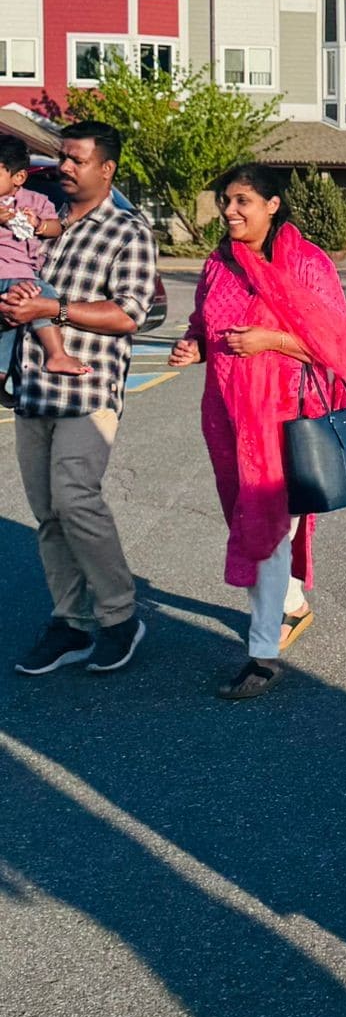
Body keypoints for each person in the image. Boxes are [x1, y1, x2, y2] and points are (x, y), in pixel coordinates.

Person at [168, 163, 346, 700]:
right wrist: (195, 346)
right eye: (226, 200)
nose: (230, 210)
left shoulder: (307, 264)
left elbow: (335, 346)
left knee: (268, 527)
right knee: (256, 520)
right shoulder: (218, 264)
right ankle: (292, 604)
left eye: (243, 200)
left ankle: (262, 655)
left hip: (287, 421)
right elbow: (206, 324)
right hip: (228, 419)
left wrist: (273, 340)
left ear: (273, 205)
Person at [7, 121, 160, 678]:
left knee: (75, 498)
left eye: (75, 160)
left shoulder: (128, 232)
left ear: (107, 169)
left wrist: (54, 310)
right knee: (48, 514)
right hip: (32, 386)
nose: (64, 168)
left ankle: (119, 618)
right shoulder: (43, 226)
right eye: (62, 158)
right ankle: (70, 622)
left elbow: (130, 314)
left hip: (88, 389)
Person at [0, 133, 89, 390]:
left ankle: (2, 377)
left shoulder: (36, 202)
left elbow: (56, 228)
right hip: (13, 275)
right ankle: (56, 354)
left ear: (18, 177)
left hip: (22, 274)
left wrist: (37, 224)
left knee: (10, 328)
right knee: (45, 296)